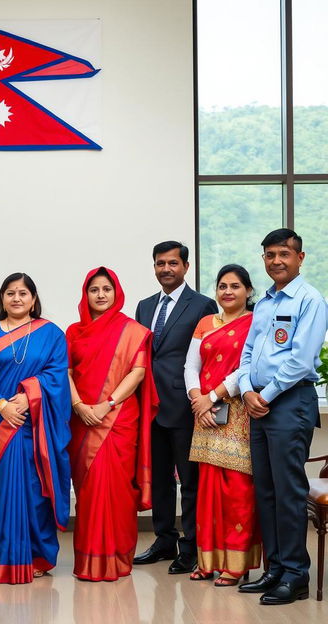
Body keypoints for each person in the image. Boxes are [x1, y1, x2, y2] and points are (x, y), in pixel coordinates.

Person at [237, 229, 327, 605]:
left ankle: (295, 575)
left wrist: (265, 395)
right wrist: (246, 390)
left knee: (289, 492)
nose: (276, 261)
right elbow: (248, 353)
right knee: (267, 490)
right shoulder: (264, 303)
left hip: (290, 402)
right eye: (269, 255)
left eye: (283, 254)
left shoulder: (310, 299)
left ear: (300, 258)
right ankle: (274, 568)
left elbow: (300, 360)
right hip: (258, 403)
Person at [0, 273, 71, 584]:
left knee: (34, 489)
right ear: (2, 298)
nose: (17, 298)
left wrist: (27, 396)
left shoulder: (52, 333)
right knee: (2, 493)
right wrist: (3, 405)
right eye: (10, 293)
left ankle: (37, 556)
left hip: (34, 422)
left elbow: (57, 375)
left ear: (33, 299)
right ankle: (3, 559)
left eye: (23, 293)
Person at [67, 267, 157, 581]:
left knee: (118, 490)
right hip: (82, 420)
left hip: (118, 419)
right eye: (94, 289)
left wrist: (106, 405)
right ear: (85, 294)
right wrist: (78, 405)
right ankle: (88, 561)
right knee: (89, 492)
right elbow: (64, 373)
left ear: (116, 292)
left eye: (107, 288)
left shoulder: (132, 330)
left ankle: (118, 559)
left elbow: (138, 372)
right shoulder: (73, 332)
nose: (101, 295)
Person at [133, 241, 217, 574]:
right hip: (148, 407)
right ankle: (164, 539)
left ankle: (191, 545)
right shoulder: (144, 306)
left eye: (172, 263)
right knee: (161, 480)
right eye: (159, 264)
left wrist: (204, 400)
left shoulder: (202, 305)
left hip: (185, 406)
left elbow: (208, 356)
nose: (165, 269)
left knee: (190, 480)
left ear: (185, 266)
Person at [184, 264, 261, 586]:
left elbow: (248, 367)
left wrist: (212, 396)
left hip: (236, 412)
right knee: (208, 488)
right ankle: (208, 561)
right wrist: (196, 398)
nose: (227, 291)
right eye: (222, 286)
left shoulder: (254, 323)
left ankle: (236, 563)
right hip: (204, 414)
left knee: (237, 489)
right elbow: (191, 364)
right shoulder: (206, 322)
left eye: (235, 286)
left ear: (248, 291)